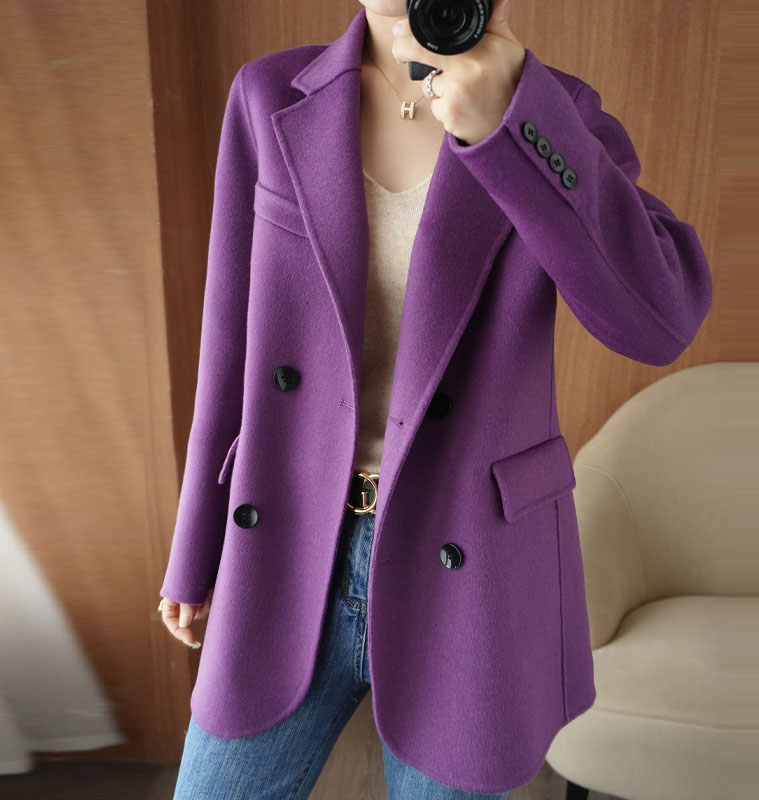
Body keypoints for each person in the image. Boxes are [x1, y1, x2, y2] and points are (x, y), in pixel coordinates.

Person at [158, 0, 713, 797]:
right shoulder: (269, 93)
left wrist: (514, 123)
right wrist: (194, 548)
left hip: (467, 565)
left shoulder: (558, 113)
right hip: (284, 541)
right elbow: (230, 342)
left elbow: (659, 321)